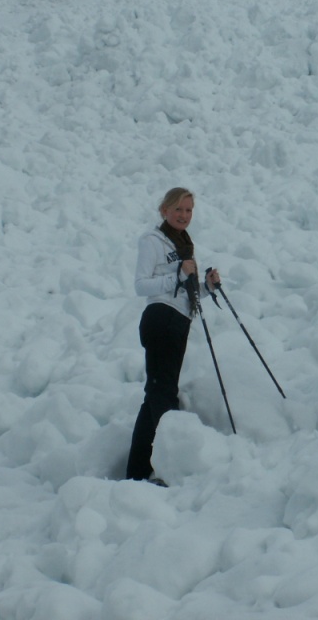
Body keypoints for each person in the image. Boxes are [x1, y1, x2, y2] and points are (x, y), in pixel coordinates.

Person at [126, 187, 220, 483]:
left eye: (189, 210)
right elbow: (142, 285)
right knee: (163, 395)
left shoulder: (184, 245)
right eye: (178, 209)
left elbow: (184, 293)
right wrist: (177, 275)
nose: (184, 216)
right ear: (164, 210)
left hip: (178, 321)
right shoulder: (152, 241)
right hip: (160, 319)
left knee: (155, 395)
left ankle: (138, 472)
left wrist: (207, 286)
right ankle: (164, 468)